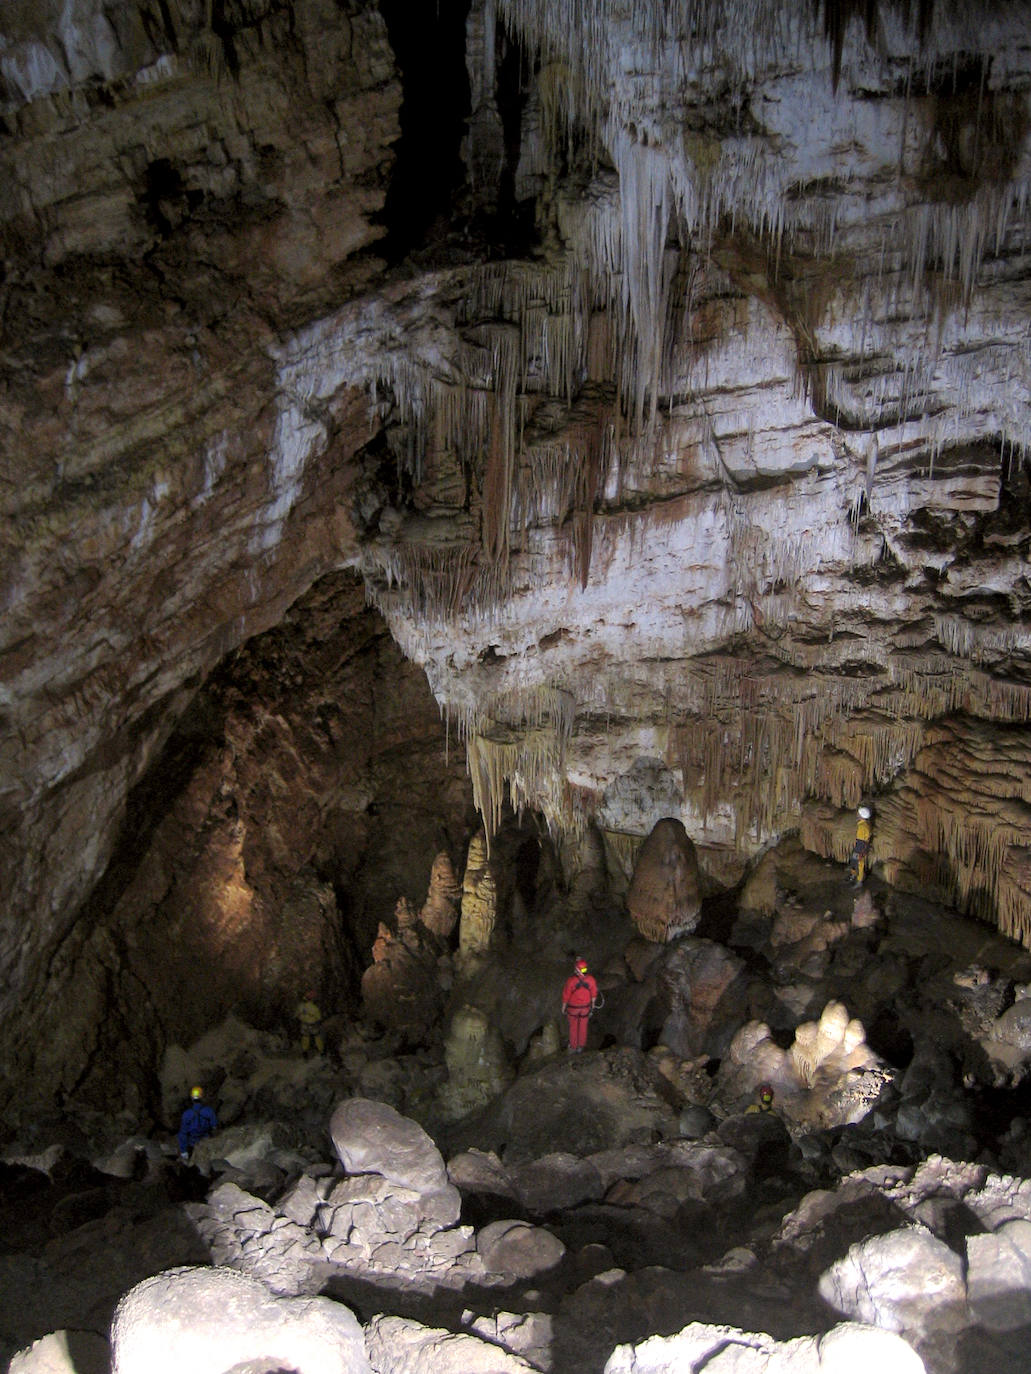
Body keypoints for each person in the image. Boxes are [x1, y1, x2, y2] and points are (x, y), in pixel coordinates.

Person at [562, 956, 598, 1053]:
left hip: (573, 1008)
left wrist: (563, 1007)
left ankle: (573, 1046)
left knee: (573, 1027)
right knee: (583, 1026)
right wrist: (593, 1005)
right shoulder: (591, 980)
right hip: (585, 1008)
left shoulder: (571, 981)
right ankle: (581, 1046)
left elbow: (566, 995)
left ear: (577, 969)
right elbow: (594, 994)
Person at [178, 1085, 217, 1162]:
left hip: (192, 1145)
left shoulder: (186, 1114)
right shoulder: (209, 1111)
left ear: (192, 1098)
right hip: (206, 1142)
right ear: (202, 1097)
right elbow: (214, 1126)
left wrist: (183, 1151)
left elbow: (183, 1133)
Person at [848, 805, 873, 885]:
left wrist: (858, 852)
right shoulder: (864, 824)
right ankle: (853, 875)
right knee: (854, 862)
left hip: (860, 848)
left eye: (858, 813)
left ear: (861, 816)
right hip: (861, 847)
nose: (857, 814)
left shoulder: (862, 827)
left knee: (858, 864)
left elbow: (861, 841)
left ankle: (859, 881)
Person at [296, 990, 324, 1057]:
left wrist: (302, 1018)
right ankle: (321, 1051)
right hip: (313, 1024)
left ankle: (305, 1051)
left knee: (305, 1038)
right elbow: (319, 1017)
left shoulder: (301, 1006)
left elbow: (297, 1015)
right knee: (317, 1037)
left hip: (304, 1024)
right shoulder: (314, 1007)